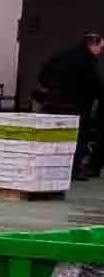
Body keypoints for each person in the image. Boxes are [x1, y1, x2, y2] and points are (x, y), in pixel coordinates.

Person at [34, 32, 103, 179]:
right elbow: (93, 83)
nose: (100, 51)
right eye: (100, 47)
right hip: (77, 104)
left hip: (54, 102)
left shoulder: (61, 55)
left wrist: (52, 89)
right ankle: (74, 170)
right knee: (77, 136)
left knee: (54, 135)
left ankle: (49, 166)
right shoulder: (88, 60)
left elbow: (43, 75)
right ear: (92, 45)